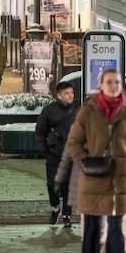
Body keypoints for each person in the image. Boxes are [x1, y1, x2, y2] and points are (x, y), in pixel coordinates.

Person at [57, 69, 126, 253]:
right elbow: (74, 143)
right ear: (101, 85)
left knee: (116, 228)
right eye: (109, 82)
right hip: (93, 178)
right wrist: (84, 161)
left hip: (118, 178)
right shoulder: (88, 113)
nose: (114, 85)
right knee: (93, 228)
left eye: (117, 82)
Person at [35, 82, 78, 227]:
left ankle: (66, 215)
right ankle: (55, 208)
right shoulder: (49, 110)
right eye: (66, 93)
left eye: (71, 93)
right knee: (51, 185)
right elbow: (41, 129)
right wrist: (42, 147)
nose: (70, 96)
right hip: (53, 152)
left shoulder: (78, 110)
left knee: (68, 186)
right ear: (59, 95)